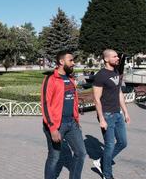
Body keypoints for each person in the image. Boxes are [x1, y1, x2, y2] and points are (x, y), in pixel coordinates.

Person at [41, 50, 86, 179]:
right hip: (56, 125)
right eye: (70, 60)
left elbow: (73, 101)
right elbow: (45, 104)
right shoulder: (50, 79)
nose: (73, 63)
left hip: (72, 123)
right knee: (54, 157)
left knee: (81, 153)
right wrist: (52, 128)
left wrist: (76, 120)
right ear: (61, 62)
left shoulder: (71, 79)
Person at [92, 49, 130, 179]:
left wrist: (125, 111)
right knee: (109, 145)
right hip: (107, 115)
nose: (117, 58)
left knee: (123, 142)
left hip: (117, 113)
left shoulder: (116, 71)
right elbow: (96, 99)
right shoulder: (100, 75)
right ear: (106, 59)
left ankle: (101, 161)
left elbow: (118, 92)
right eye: (114, 57)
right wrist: (101, 119)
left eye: (117, 56)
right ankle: (107, 175)